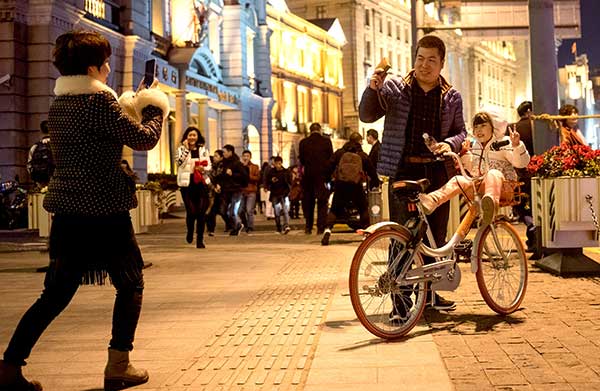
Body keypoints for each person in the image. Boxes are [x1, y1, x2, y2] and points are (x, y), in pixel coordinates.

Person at [0, 30, 169, 391]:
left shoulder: (60, 103)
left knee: (55, 294)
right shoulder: (97, 102)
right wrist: (154, 105)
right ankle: (118, 365)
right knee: (130, 282)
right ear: (93, 67)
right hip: (104, 211)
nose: (109, 68)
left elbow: (102, 132)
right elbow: (143, 139)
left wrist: (130, 104)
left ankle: (10, 366)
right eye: (106, 62)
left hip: (67, 210)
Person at [359, 34, 467, 312]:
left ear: (442, 63)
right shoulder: (397, 88)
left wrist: (449, 143)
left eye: (432, 60)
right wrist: (373, 89)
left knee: (435, 237)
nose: (424, 65)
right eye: (420, 58)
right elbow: (367, 115)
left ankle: (430, 296)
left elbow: (461, 132)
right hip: (403, 170)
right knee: (403, 236)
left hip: (437, 173)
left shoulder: (451, 96)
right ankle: (401, 301)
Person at [419, 110, 531, 226]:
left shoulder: (503, 143)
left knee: (493, 173)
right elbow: (472, 168)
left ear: (494, 127)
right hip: (480, 188)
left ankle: (491, 205)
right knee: (458, 179)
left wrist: (517, 146)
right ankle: (432, 200)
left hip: (503, 189)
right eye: (476, 126)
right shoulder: (476, 145)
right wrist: (464, 153)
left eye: (483, 125)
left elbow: (521, 163)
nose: (479, 130)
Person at [321, 132, 379, 246]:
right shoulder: (362, 155)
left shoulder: (339, 153)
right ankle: (366, 234)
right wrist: (375, 183)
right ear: (359, 141)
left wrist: (328, 180)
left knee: (334, 209)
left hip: (341, 185)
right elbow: (371, 170)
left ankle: (327, 230)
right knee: (363, 207)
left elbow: (328, 167)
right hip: (356, 186)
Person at [176, 126, 211, 248]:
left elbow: (209, 166)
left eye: (194, 135)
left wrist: (203, 168)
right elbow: (179, 163)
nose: (192, 137)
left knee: (201, 213)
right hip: (187, 184)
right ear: (186, 136)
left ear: (198, 137)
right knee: (191, 212)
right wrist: (186, 149)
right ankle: (190, 231)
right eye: (190, 135)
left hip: (201, 183)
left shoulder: (203, 150)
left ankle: (200, 239)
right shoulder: (180, 149)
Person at [299, 123, 333, 234]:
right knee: (322, 203)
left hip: (308, 176)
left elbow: (302, 160)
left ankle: (308, 227)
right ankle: (320, 227)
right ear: (319, 130)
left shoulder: (303, 142)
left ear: (310, 130)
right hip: (322, 176)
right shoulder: (326, 141)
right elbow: (330, 159)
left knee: (309, 202)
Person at [511, 101, 536, 252]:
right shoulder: (537, 126)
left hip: (520, 173)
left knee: (523, 207)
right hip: (536, 171)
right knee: (535, 206)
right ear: (529, 111)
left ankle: (532, 230)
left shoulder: (515, 127)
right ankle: (535, 235)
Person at [216, 145, 248, 236]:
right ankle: (235, 226)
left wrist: (232, 174)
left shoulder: (237, 163)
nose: (223, 154)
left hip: (236, 189)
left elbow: (244, 176)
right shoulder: (223, 163)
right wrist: (218, 184)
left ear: (230, 152)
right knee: (223, 211)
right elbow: (221, 176)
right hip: (226, 190)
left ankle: (237, 225)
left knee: (233, 211)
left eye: (224, 152)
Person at [205, 150, 230, 235]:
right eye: (214, 156)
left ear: (221, 157)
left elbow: (224, 178)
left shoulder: (224, 167)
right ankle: (210, 228)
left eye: (216, 156)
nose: (214, 157)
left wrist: (219, 185)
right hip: (212, 192)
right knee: (211, 211)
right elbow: (208, 177)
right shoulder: (211, 166)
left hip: (222, 192)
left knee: (222, 211)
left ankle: (230, 224)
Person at [26, 120, 55, 189]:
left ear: (41, 131)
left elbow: (29, 166)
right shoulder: (57, 146)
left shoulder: (35, 147)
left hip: (40, 184)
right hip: (55, 183)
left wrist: (37, 181)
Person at [267, 156, 291, 234]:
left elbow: (289, 182)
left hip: (284, 193)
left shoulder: (285, 172)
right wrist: (271, 181)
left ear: (281, 163)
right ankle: (278, 227)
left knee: (285, 210)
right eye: (276, 164)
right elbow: (267, 180)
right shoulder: (271, 172)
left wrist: (287, 192)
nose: (278, 165)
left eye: (279, 164)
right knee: (277, 212)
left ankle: (286, 225)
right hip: (274, 193)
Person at [240, 150, 260, 233]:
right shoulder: (239, 166)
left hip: (251, 191)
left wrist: (247, 174)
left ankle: (250, 226)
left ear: (250, 157)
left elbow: (257, 178)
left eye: (247, 156)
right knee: (240, 210)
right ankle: (245, 224)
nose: (246, 158)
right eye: (244, 156)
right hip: (241, 191)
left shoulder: (255, 167)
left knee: (249, 210)